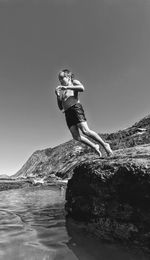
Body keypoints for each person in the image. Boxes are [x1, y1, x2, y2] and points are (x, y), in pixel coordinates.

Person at [55, 69, 113, 157]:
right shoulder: (62, 91)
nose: (60, 80)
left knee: (86, 131)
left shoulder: (73, 82)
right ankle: (94, 146)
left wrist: (67, 87)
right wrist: (58, 95)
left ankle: (105, 144)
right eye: (59, 79)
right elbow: (60, 107)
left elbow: (82, 88)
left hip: (75, 108)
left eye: (62, 78)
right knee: (76, 136)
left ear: (69, 76)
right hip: (67, 112)